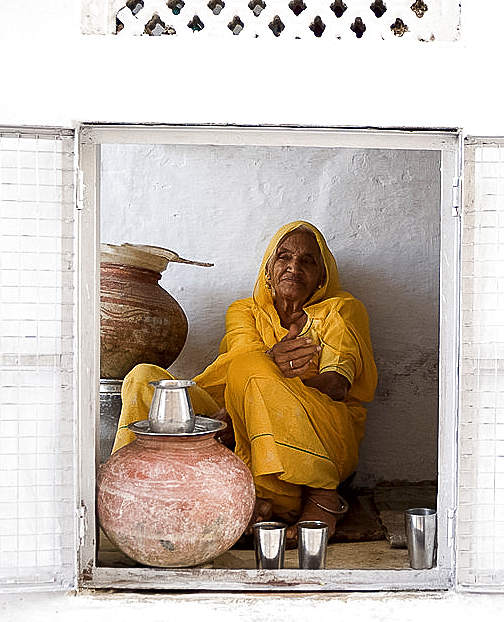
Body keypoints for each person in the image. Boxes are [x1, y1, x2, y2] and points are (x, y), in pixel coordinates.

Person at [111, 220, 377, 544]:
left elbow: (336, 384)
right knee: (144, 378)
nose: (294, 267)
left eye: (308, 261)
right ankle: (132, 492)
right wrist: (253, 389)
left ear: (322, 277)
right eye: (284, 257)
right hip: (236, 425)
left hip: (318, 434)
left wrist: (273, 390)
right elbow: (240, 369)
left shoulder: (340, 310)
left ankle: (321, 498)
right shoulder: (243, 311)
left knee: (253, 368)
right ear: (267, 270)